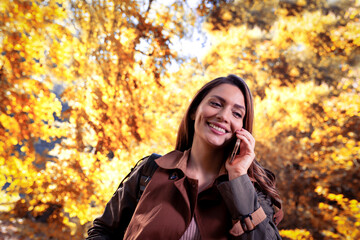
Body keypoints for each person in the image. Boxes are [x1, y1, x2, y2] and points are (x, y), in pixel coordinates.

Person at [87, 74, 283, 239]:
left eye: (237, 114)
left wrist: (238, 177)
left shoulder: (253, 190)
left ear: (243, 129)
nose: (224, 116)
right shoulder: (150, 170)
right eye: (216, 104)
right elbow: (102, 232)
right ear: (194, 111)